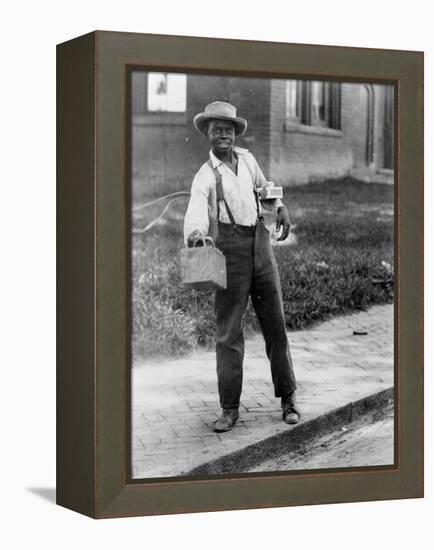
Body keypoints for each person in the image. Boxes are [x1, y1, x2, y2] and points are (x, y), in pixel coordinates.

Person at [183, 101, 300, 433]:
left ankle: (288, 397)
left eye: (229, 129)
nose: (224, 134)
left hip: (261, 249)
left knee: (276, 327)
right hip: (230, 255)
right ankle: (229, 407)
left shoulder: (248, 160)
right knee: (229, 333)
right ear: (207, 133)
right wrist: (194, 233)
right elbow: (195, 209)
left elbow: (266, 190)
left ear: (235, 134)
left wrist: (280, 208)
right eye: (217, 129)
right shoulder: (205, 175)